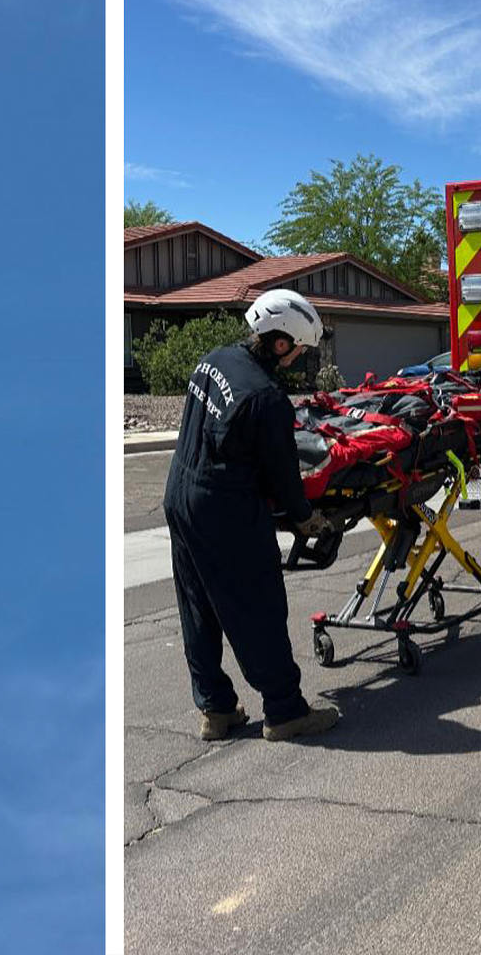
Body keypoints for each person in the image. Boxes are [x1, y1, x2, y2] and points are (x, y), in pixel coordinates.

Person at [163, 288, 341, 743]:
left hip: (180, 493)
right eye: (299, 349)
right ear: (280, 342)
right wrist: (308, 520)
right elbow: (283, 478)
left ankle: (216, 710)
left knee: (198, 606)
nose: (299, 358)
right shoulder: (265, 398)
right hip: (224, 509)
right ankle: (284, 711)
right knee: (257, 606)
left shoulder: (213, 359)